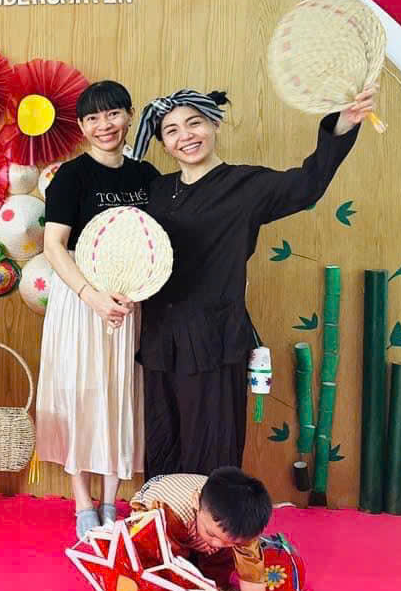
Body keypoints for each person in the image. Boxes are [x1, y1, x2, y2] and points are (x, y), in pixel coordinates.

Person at [133, 87, 376, 477]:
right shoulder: (157, 190)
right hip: (160, 335)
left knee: (211, 447)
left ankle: (213, 518)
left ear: (214, 124)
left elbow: (308, 183)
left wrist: (343, 124)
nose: (186, 136)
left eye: (195, 123)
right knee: (162, 441)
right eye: (172, 130)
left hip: (214, 336)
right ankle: (162, 513)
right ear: (162, 142)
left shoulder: (246, 185)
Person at [34, 80, 159, 539]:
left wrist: (137, 289)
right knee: (81, 393)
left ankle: (111, 500)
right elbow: (54, 245)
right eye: (92, 118)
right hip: (81, 302)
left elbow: (156, 242)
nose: (103, 125)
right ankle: (83, 502)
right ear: (82, 127)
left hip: (128, 302)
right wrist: (91, 295)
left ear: (129, 116)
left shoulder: (146, 176)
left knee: (119, 393)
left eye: (112, 114)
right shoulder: (71, 176)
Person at [130, 467, 275, 591]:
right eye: (212, 534)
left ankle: (215, 578)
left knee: (230, 551)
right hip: (159, 506)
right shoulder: (168, 511)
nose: (217, 544)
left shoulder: (242, 530)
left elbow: (252, 577)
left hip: (198, 517)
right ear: (196, 502)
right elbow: (150, 559)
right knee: (160, 566)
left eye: (228, 542)